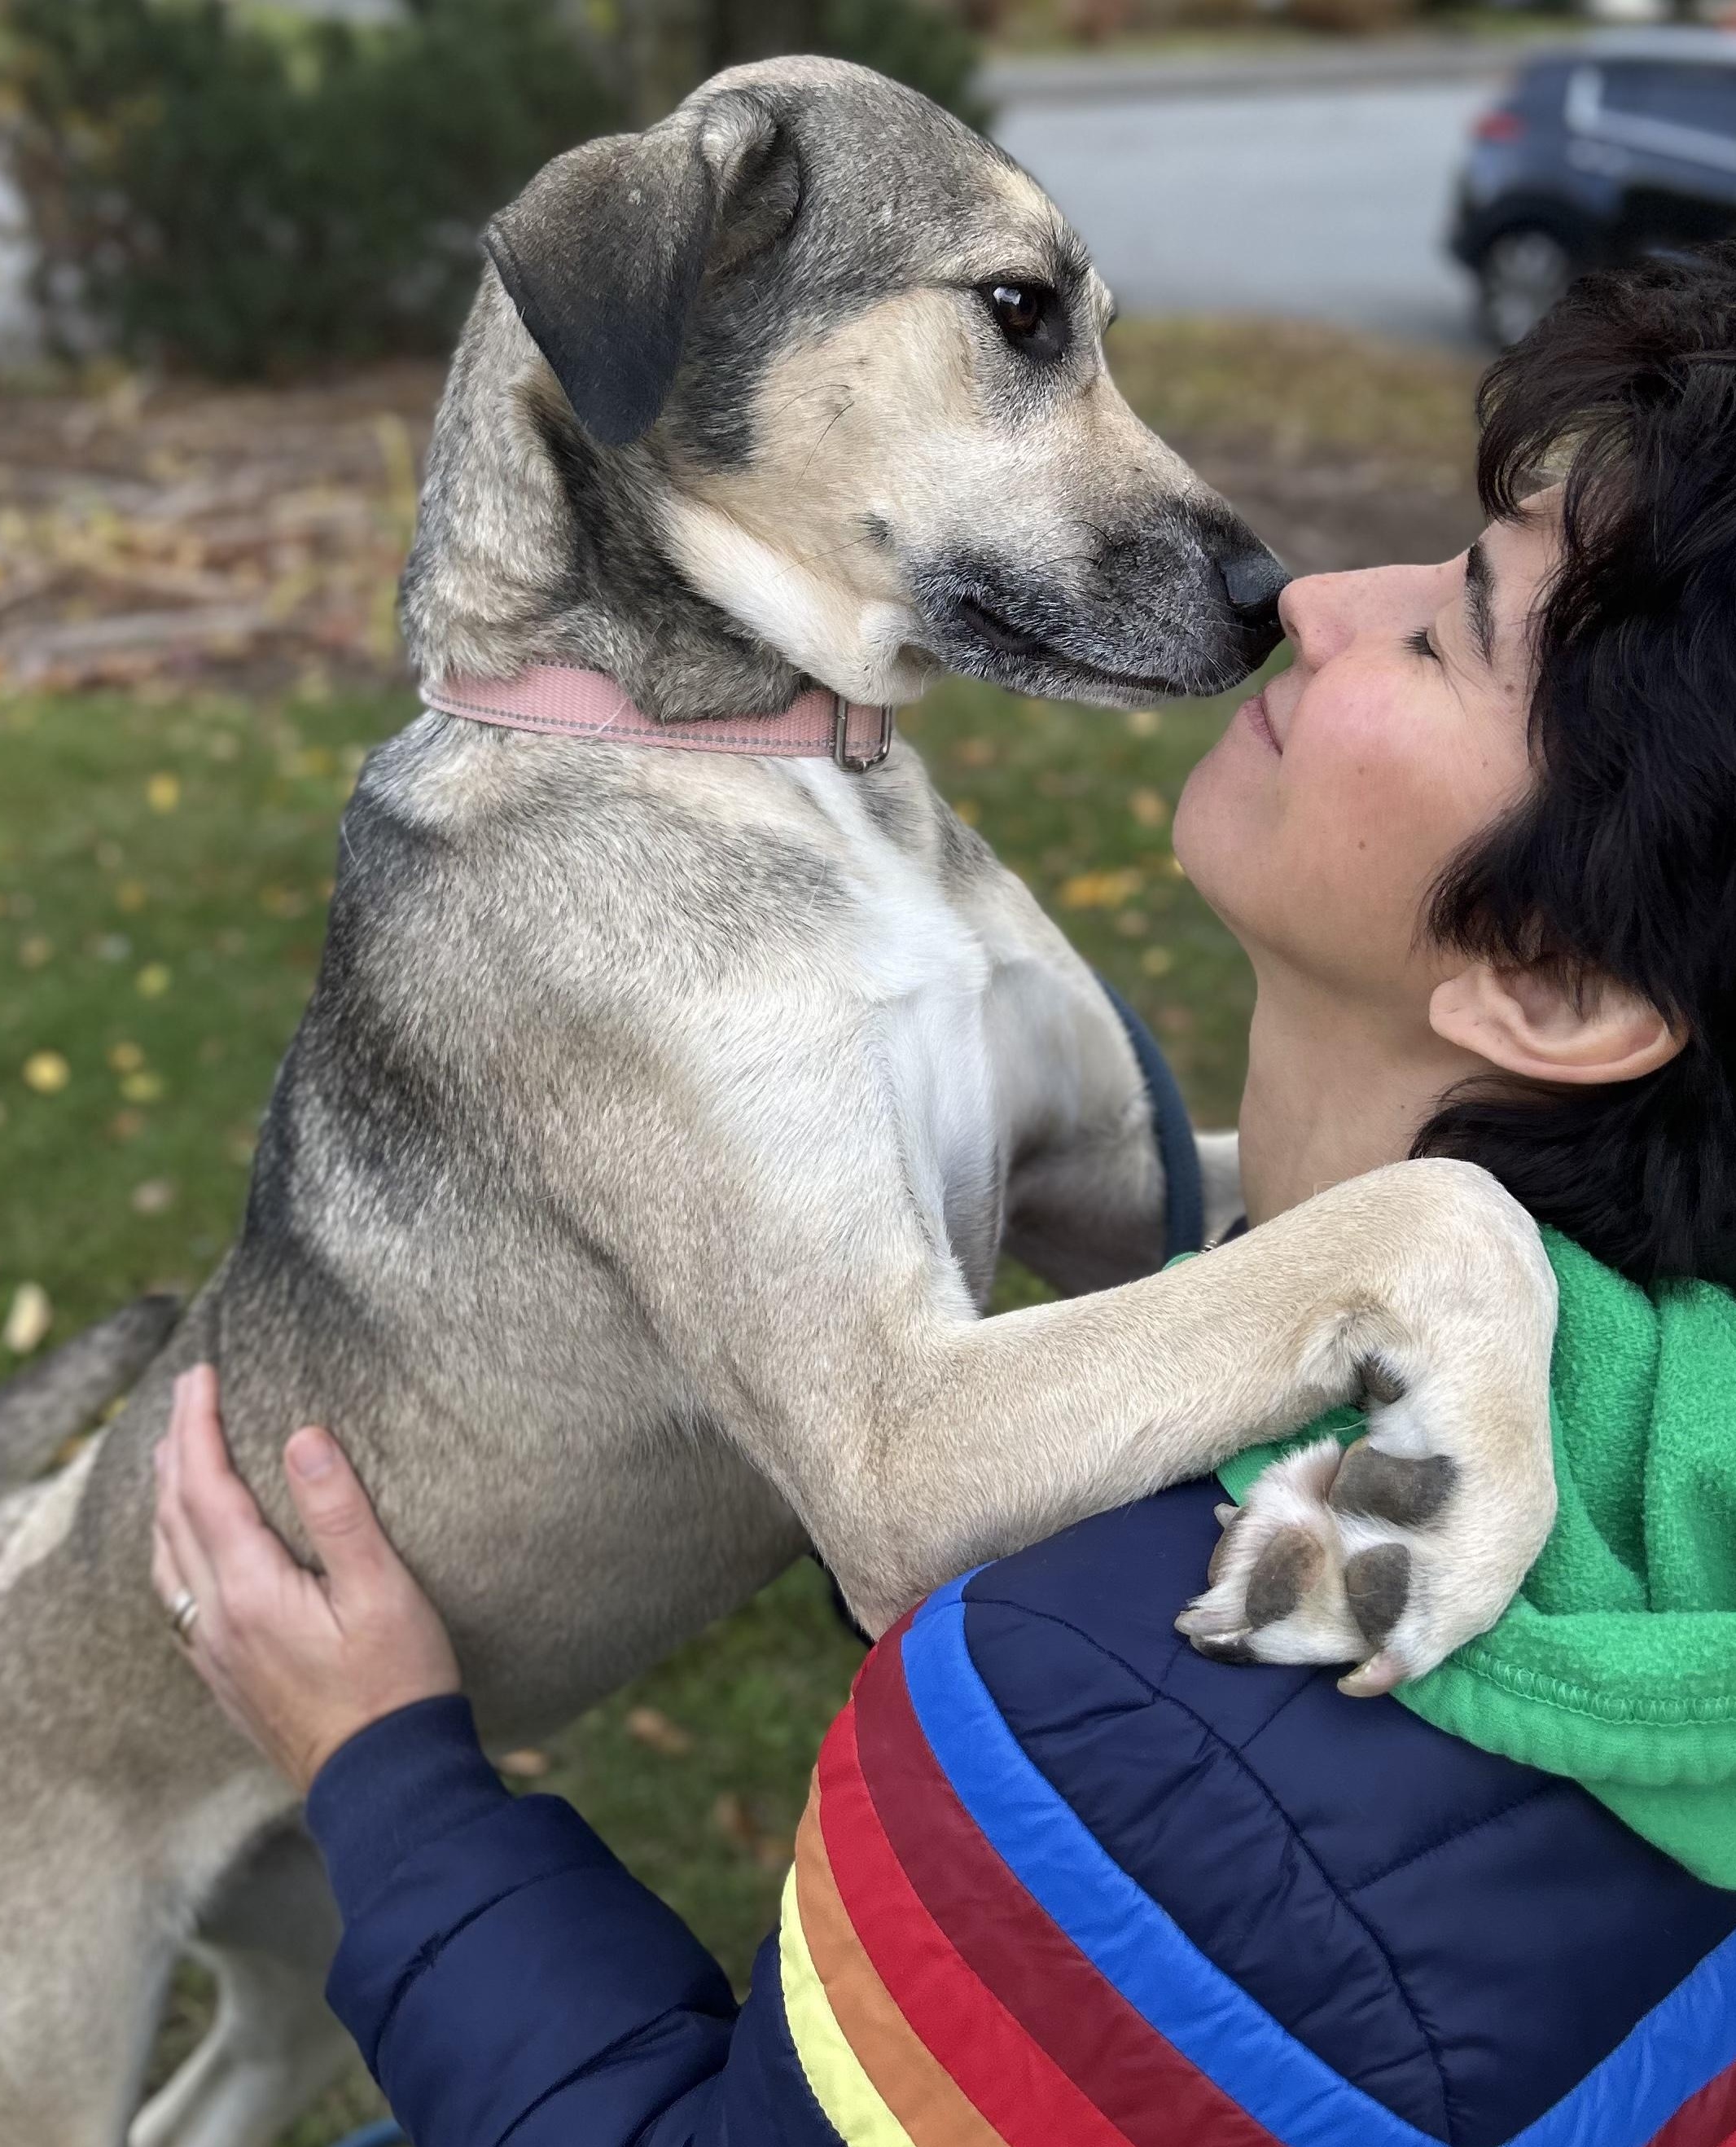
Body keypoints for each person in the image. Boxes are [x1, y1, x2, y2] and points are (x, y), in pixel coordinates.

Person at [150, 249, 1736, 2144]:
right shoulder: (1673, 1413)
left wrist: (387, 1772)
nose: (1313, 594)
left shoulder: (1118, 1719)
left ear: (1555, 986)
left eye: (1454, 628)